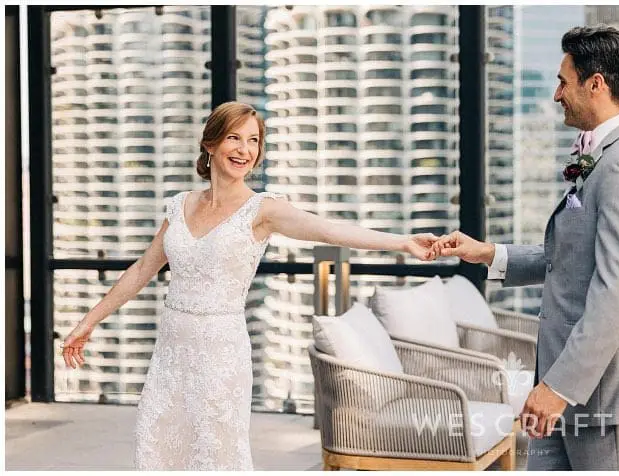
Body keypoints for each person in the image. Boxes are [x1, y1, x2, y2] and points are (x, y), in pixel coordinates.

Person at [59, 102, 440, 470]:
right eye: (234, 138)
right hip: (171, 354)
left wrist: (401, 242)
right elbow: (143, 268)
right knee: (158, 449)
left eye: (254, 140)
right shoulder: (180, 205)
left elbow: (330, 229)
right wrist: (88, 322)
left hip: (221, 354)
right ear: (210, 144)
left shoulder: (263, 210)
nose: (245, 150)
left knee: (217, 456)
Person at [432, 25, 619, 470]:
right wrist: (487, 253)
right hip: (571, 385)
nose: (557, 94)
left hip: (601, 392)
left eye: (564, 81)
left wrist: (558, 387)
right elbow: (570, 259)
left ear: (595, 83)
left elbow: (616, 292)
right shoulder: (606, 156)